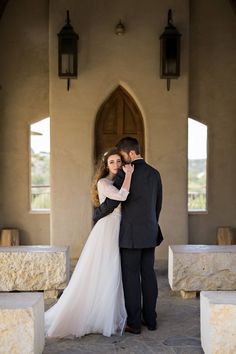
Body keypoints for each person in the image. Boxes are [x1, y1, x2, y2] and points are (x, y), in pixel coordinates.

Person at [45, 147, 134, 338]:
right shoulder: (103, 183)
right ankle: (97, 315)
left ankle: (107, 313)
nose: (116, 165)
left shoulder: (114, 180)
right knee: (107, 268)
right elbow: (121, 196)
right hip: (107, 228)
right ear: (106, 165)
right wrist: (129, 174)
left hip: (118, 226)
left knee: (113, 270)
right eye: (112, 162)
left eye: (119, 161)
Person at [93, 137, 163, 334]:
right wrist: (151, 224)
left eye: (122, 156)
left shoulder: (125, 173)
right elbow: (158, 204)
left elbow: (114, 203)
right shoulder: (155, 173)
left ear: (131, 153)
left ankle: (134, 322)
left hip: (130, 235)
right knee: (148, 274)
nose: (122, 162)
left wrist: (96, 214)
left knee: (131, 277)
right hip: (150, 231)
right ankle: (151, 319)